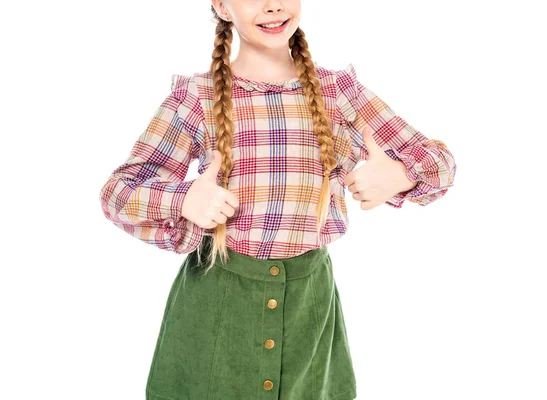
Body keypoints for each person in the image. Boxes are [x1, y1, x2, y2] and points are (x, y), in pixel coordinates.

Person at [98, 0, 457, 398]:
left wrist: (402, 175)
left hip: (309, 310)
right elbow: (119, 193)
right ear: (221, 5)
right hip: (216, 308)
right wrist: (183, 200)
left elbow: (440, 164)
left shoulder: (339, 94)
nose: (273, 5)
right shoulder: (195, 98)